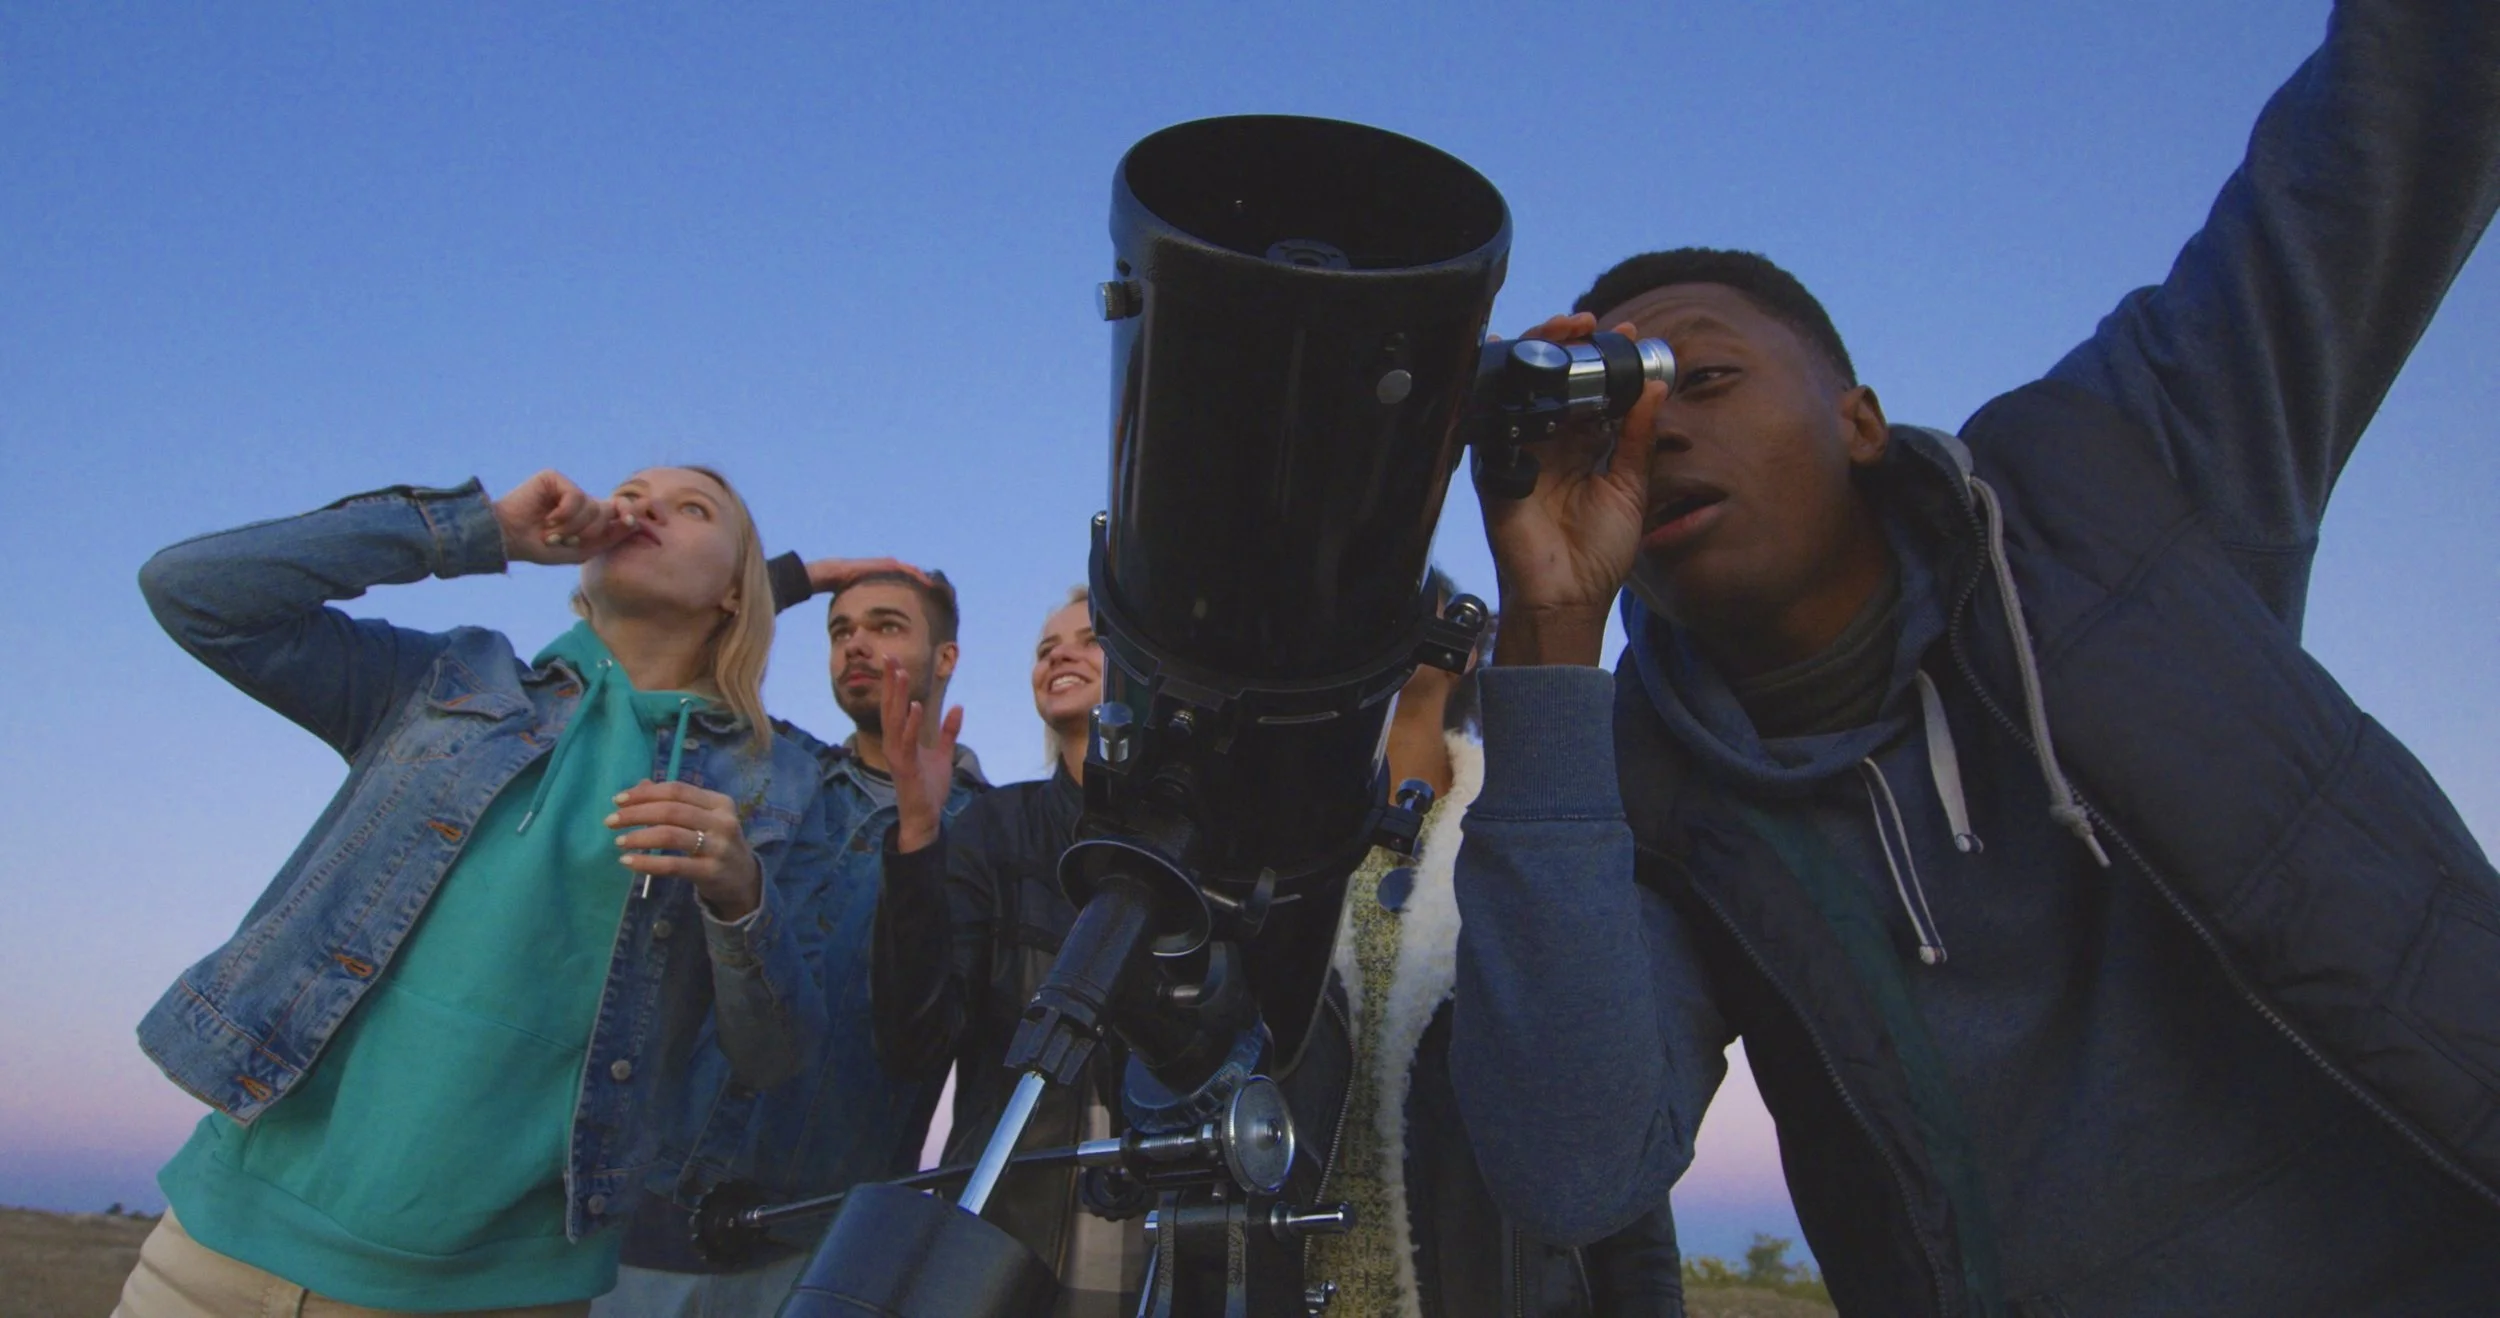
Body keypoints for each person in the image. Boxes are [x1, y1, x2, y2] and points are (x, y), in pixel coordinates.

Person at [1451, 5, 2500, 1313]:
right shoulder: (1650, 796)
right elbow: (1570, 1169)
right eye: (1616, 409)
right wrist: (1550, 635)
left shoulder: (2113, 486)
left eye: (1701, 378)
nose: (1654, 435)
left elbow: (2379, 137)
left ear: (1862, 418)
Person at [119, 468, 839, 1317]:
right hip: (216, 1253)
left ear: (734, 592)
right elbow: (194, 592)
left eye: (693, 509)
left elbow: (773, 1055)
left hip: (495, 1293)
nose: (645, 506)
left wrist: (739, 898)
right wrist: (477, 531)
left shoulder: (778, 789)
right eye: (634, 491)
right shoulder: (448, 680)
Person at [598, 561, 986, 1315]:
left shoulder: (990, 832)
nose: (857, 645)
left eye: (887, 626)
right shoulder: (769, 764)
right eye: (842, 630)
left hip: (823, 1253)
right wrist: (812, 576)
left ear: (946, 658)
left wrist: (921, 834)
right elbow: (690, 627)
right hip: (645, 1224)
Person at [1303, 571, 1684, 1317]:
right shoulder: (1285, 859)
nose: (1394, 609)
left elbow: (1618, 1144)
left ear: (1468, 649)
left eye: (1422, 594)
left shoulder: (1536, 847)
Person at [872, 586, 1145, 1316]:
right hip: (1002, 1235)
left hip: (1164, 1233)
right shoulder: (993, 826)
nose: (1060, 652)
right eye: (1045, 646)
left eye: (1090, 639)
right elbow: (916, 1042)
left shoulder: (1214, 843)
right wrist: (918, 837)